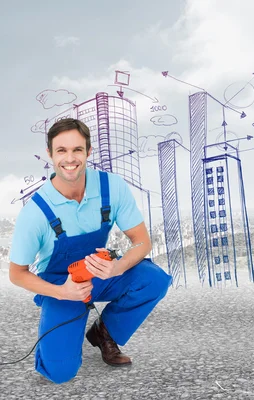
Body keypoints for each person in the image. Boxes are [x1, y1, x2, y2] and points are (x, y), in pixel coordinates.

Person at [8, 118, 172, 384]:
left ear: (88, 152)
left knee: (154, 280)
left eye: (77, 150)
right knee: (60, 372)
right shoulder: (35, 211)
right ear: (50, 154)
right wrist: (63, 292)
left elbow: (142, 241)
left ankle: (103, 332)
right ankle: (59, 341)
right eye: (61, 150)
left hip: (101, 273)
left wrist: (117, 267)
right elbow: (16, 274)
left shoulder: (111, 187)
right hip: (62, 286)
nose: (70, 158)